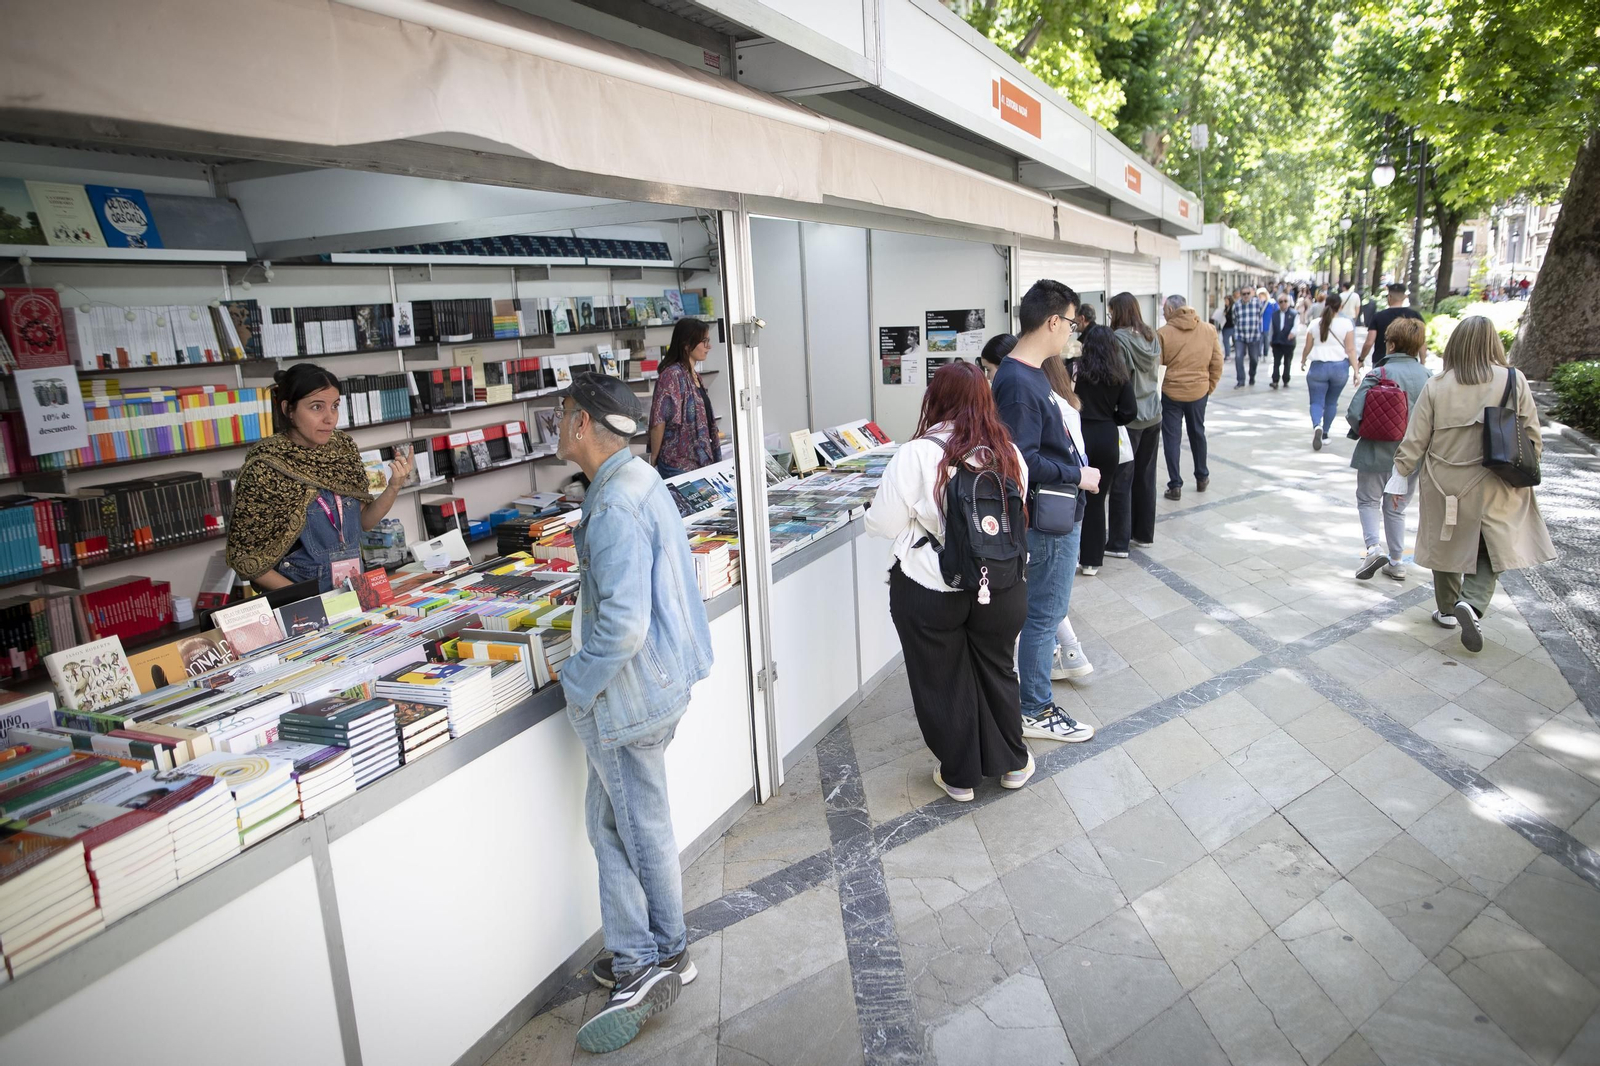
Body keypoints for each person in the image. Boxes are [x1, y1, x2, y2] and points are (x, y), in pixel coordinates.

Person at [554, 371, 714, 1054]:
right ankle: (645, 953)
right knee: (612, 823)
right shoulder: (638, 480)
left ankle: (650, 961)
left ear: (584, 422)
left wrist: (577, 683)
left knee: (634, 828)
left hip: (626, 697)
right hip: (659, 683)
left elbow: (621, 624)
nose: (557, 426)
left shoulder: (615, 503)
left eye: (562, 414)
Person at [866, 362, 1035, 801]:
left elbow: (884, 524)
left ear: (935, 398)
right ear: (985, 399)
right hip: (1001, 585)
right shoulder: (1009, 452)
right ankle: (1012, 763)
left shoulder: (917, 453)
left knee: (940, 677)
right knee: (997, 668)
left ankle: (960, 777)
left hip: (932, 586)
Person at [1391, 318, 1555, 647]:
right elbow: (1533, 440)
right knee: (1489, 546)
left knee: (1447, 543)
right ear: (1493, 343)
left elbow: (1415, 438)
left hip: (1444, 480)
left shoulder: (1437, 384)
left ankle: (1448, 610)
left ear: (1454, 345)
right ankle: (1473, 602)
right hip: (1495, 480)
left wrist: (1398, 476)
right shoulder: (1513, 380)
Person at [992, 279, 1099, 743]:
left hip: (1056, 512)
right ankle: (1034, 709)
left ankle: (1034, 701)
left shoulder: (1030, 372)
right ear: (1053, 321)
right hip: (1048, 517)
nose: (1072, 333)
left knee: (1046, 611)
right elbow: (1020, 460)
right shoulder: (1018, 381)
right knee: (1044, 614)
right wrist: (1078, 476)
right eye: (1071, 323)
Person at [227, 364, 414, 591]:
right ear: (288, 409)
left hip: (353, 591)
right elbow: (247, 561)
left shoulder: (343, 451)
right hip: (302, 606)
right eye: (317, 407)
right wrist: (308, 600)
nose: (330, 418)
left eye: (334, 406)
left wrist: (394, 486)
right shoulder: (265, 470)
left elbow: (364, 522)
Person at [1347, 317, 1431, 582]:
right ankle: (1396, 561)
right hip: (1412, 458)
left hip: (1375, 452)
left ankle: (1373, 549)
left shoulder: (1378, 374)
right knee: (1396, 508)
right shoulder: (1430, 378)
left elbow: (1353, 412)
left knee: (1368, 500)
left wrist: (1364, 431)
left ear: (1391, 345)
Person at [1040, 355, 1095, 679]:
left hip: (1055, 506)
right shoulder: (1067, 404)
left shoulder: (1054, 408)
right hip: (1069, 503)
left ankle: (1065, 655)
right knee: (1050, 592)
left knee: (1045, 595)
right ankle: (1070, 651)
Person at [1072, 326, 1136, 576]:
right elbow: (1130, 411)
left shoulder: (1077, 370)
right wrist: (1113, 418)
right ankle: (1092, 561)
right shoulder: (1119, 374)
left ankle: (1075, 553)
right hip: (1108, 438)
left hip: (1082, 436)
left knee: (1079, 499)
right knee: (1098, 500)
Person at [1107, 293, 1162, 552]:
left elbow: (1120, 379)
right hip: (1154, 413)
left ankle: (1118, 542)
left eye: (1110, 313)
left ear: (1118, 312)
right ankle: (1144, 534)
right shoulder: (1151, 336)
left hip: (1130, 418)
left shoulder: (1118, 340)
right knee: (1146, 477)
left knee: (1122, 480)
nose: (1109, 317)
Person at [1157, 294, 1224, 500]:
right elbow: (1217, 363)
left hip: (1171, 394)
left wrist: (1160, 392)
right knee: (1198, 434)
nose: (1162, 313)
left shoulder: (1163, 333)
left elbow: (1157, 370)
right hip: (1198, 392)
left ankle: (1175, 485)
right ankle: (1202, 477)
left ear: (1170, 310)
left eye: (1163, 310)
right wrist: (1208, 388)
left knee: (1171, 439)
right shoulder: (1208, 330)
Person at [647, 317, 719, 477]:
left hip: (699, 462)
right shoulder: (671, 375)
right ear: (687, 345)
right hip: (677, 464)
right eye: (704, 341)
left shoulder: (694, 376)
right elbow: (659, 422)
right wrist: (653, 461)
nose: (709, 346)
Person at [1301, 294, 1357, 450]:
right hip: (1339, 368)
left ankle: (1316, 425)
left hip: (1318, 367)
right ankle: (1325, 434)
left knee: (1316, 401)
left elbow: (1307, 347)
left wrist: (1303, 360)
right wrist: (1357, 372)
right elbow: (1351, 349)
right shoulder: (1346, 324)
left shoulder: (1314, 324)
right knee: (1331, 402)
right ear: (1340, 307)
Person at [1359, 283, 1425, 369]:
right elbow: (1422, 342)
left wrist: (1361, 359)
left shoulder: (1378, 316)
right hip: (1408, 362)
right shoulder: (1415, 315)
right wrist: (1423, 363)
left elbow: (1369, 342)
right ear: (1405, 297)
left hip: (1381, 361)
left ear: (1389, 297)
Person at [1233, 286, 1265, 386]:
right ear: (1241, 295)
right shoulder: (1236, 305)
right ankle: (1241, 380)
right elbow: (1235, 319)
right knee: (1238, 357)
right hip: (1240, 336)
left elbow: (1260, 317)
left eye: (1248, 293)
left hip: (1254, 336)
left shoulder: (1257, 303)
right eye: (1244, 294)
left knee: (1254, 358)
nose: (1246, 296)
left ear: (1251, 294)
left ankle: (1252, 375)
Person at [1268, 293, 1298, 387]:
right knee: (1276, 362)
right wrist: (1270, 340)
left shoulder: (1294, 313)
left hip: (1288, 342)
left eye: (1285, 301)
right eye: (1281, 302)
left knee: (1287, 362)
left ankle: (1286, 379)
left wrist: (1292, 333)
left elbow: (1296, 326)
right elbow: (1271, 328)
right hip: (1277, 342)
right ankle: (1275, 380)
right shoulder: (1274, 314)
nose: (1283, 303)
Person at [1214, 293, 1235, 369]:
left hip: (1230, 326)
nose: (1225, 302)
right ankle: (1227, 354)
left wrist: (1226, 315)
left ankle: (1228, 355)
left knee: (1226, 341)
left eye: (1226, 301)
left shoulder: (1233, 308)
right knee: (1225, 341)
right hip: (1224, 326)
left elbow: (1232, 318)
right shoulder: (1226, 307)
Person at [1258, 287, 1277, 357]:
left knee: (1266, 341)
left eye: (1262, 295)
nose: (1260, 297)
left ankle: (1265, 354)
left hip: (1268, 326)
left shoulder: (1272, 303)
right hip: (1259, 327)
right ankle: (1259, 355)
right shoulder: (1258, 304)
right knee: (1259, 342)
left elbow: (1276, 313)